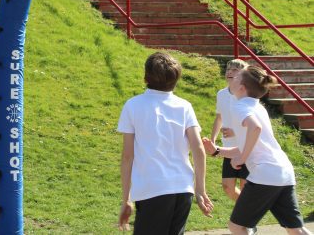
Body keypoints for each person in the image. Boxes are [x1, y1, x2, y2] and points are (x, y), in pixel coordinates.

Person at [203, 66, 312, 235]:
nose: (231, 78)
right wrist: (217, 150)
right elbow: (249, 145)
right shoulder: (258, 107)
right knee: (296, 229)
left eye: (236, 77)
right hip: (283, 172)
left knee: (236, 226)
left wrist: (241, 158)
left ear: (242, 88)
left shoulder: (240, 107)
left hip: (266, 174)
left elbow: (255, 129)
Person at [117, 52, 213, 234]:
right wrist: (200, 189)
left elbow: (128, 156)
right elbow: (198, 149)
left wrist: (126, 199)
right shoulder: (184, 106)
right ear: (176, 79)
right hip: (182, 189)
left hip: (152, 189)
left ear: (145, 77)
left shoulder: (133, 105)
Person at [210, 59, 250, 201]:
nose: (230, 72)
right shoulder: (221, 94)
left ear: (243, 75)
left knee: (246, 187)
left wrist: (235, 131)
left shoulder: (246, 94)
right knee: (228, 187)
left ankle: (246, 219)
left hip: (245, 147)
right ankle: (245, 215)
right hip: (228, 148)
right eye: (228, 69)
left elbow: (255, 124)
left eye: (235, 70)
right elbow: (219, 117)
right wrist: (213, 140)